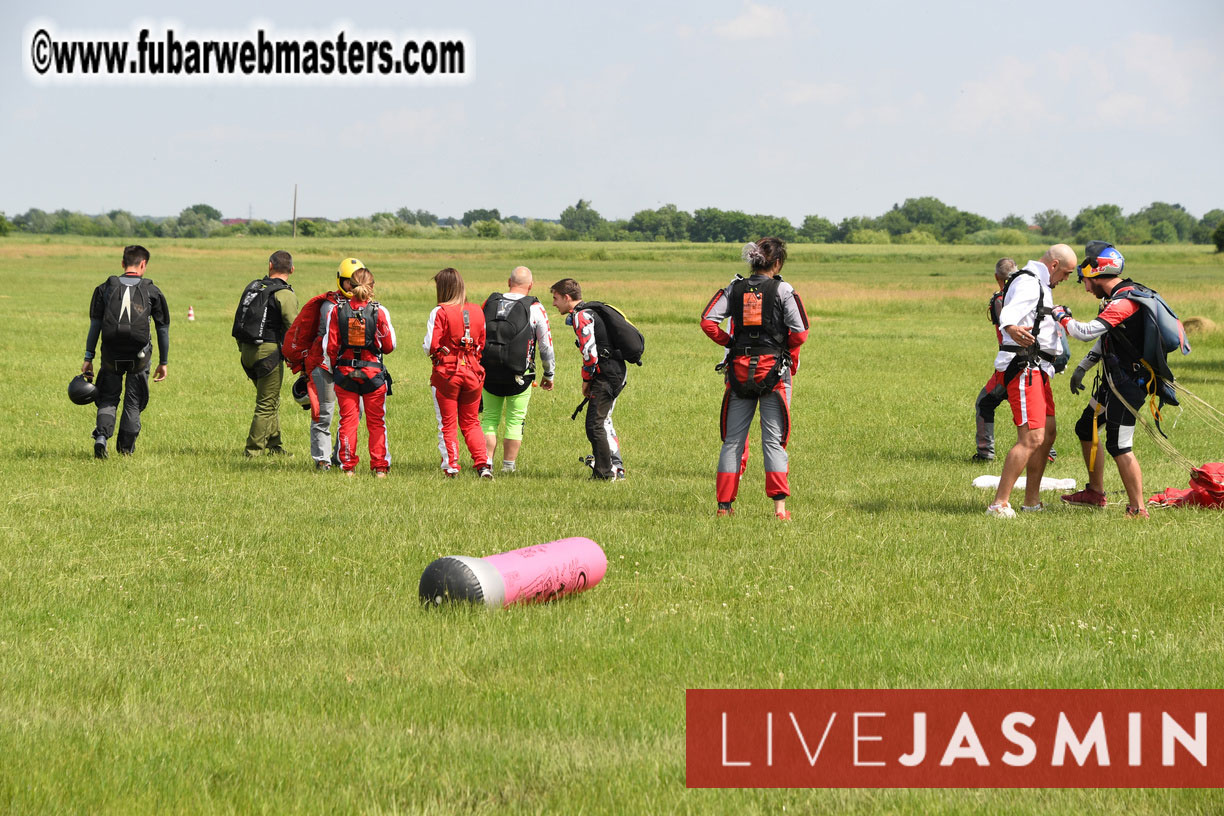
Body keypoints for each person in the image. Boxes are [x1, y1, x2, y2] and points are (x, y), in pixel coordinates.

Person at [1055, 241, 1175, 519]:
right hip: (1113, 381)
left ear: (1098, 273)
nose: (1086, 287)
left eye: (1086, 280)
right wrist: (1083, 367)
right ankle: (1095, 493)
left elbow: (1085, 332)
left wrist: (1061, 316)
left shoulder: (1124, 302)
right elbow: (1108, 337)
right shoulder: (1115, 298)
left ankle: (1138, 509)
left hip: (1129, 385)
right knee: (1086, 428)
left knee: (1119, 445)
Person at [700, 238, 809, 519]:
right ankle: (779, 510)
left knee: (733, 442)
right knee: (774, 441)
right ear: (778, 263)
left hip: (738, 372)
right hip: (774, 373)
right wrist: (782, 348)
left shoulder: (734, 288)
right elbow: (800, 333)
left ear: (753, 261)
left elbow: (708, 322)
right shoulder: (784, 290)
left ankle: (724, 507)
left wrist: (731, 342)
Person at [986, 244, 1078, 518]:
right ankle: (999, 504)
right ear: (1054, 265)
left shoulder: (1040, 283)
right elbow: (1009, 315)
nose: (1066, 279)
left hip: (1040, 369)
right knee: (1032, 437)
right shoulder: (1029, 282)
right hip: (1026, 367)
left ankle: (1031, 501)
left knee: (1048, 433)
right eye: (1066, 273)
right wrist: (1011, 327)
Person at [81, 245, 170, 459]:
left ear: (122, 264)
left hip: (111, 354)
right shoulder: (152, 291)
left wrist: (88, 357)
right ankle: (125, 450)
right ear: (143, 264)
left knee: (108, 397)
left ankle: (102, 437)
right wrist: (163, 362)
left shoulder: (105, 288)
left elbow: (95, 326)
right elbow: (163, 329)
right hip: (140, 356)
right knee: (133, 401)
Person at [974, 258, 1065, 463]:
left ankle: (985, 454)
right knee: (1038, 409)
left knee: (985, 402)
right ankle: (1047, 452)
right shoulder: (1033, 287)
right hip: (1036, 363)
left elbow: (1007, 330)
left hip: (1014, 365)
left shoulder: (1004, 298)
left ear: (997, 277)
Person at [282, 258, 359, 470]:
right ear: (340, 281)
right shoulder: (329, 306)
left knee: (353, 414)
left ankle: (340, 455)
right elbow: (330, 340)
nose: (352, 287)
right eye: (349, 282)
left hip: (351, 366)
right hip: (324, 364)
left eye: (356, 282)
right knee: (323, 413)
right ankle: (322, 460)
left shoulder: (366, 305)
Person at [479, 266, 556, 472]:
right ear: (531, 286)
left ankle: (486, 463)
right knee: (515, 419)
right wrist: (549, 373)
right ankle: (508, 466)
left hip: (489, 372)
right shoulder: (535, 308)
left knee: (489, 418)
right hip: (521, 375)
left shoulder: (490, 302)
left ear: (508, 282)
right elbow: (546, 345)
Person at [321, 266, 396, 476]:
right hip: (373, 374)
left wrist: (336, 367)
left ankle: (348, 467)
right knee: (376, 422)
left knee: (348, 421)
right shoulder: (380, 311)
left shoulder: (336, 310)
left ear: (350, 287)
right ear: (372, 286)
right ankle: (380, 467)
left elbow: (330, 347)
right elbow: (389, 345)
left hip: (345, 373)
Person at [550, 278, 627, 481]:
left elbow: (590, 354)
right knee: (603, 421)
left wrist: (586, 380)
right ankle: (616, 468)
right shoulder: (592, 312)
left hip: (607, 374)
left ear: (567, 297)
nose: (554, 304)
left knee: (595, 424)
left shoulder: (581, 316)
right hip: (616, 369)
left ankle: (604, 473)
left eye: (556, 298)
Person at [424, 267, 491, 478]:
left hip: (448, 374)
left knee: (447, 423)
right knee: (472, 422)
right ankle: (483, 464)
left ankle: (451, 466)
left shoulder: (440, 311)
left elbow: (430, 346)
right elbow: (482, 343)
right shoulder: (478, 311)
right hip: (473, 373)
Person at [233, 250, 300, 457]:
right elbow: (294, 330)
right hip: (268, 354)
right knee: (266, 404)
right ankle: (253, 451)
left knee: (270, 400)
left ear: (270, 265)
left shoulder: (253, 287)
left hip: (246, 351)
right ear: (292, 269)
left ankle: (274, 445)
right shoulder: (285, 294)